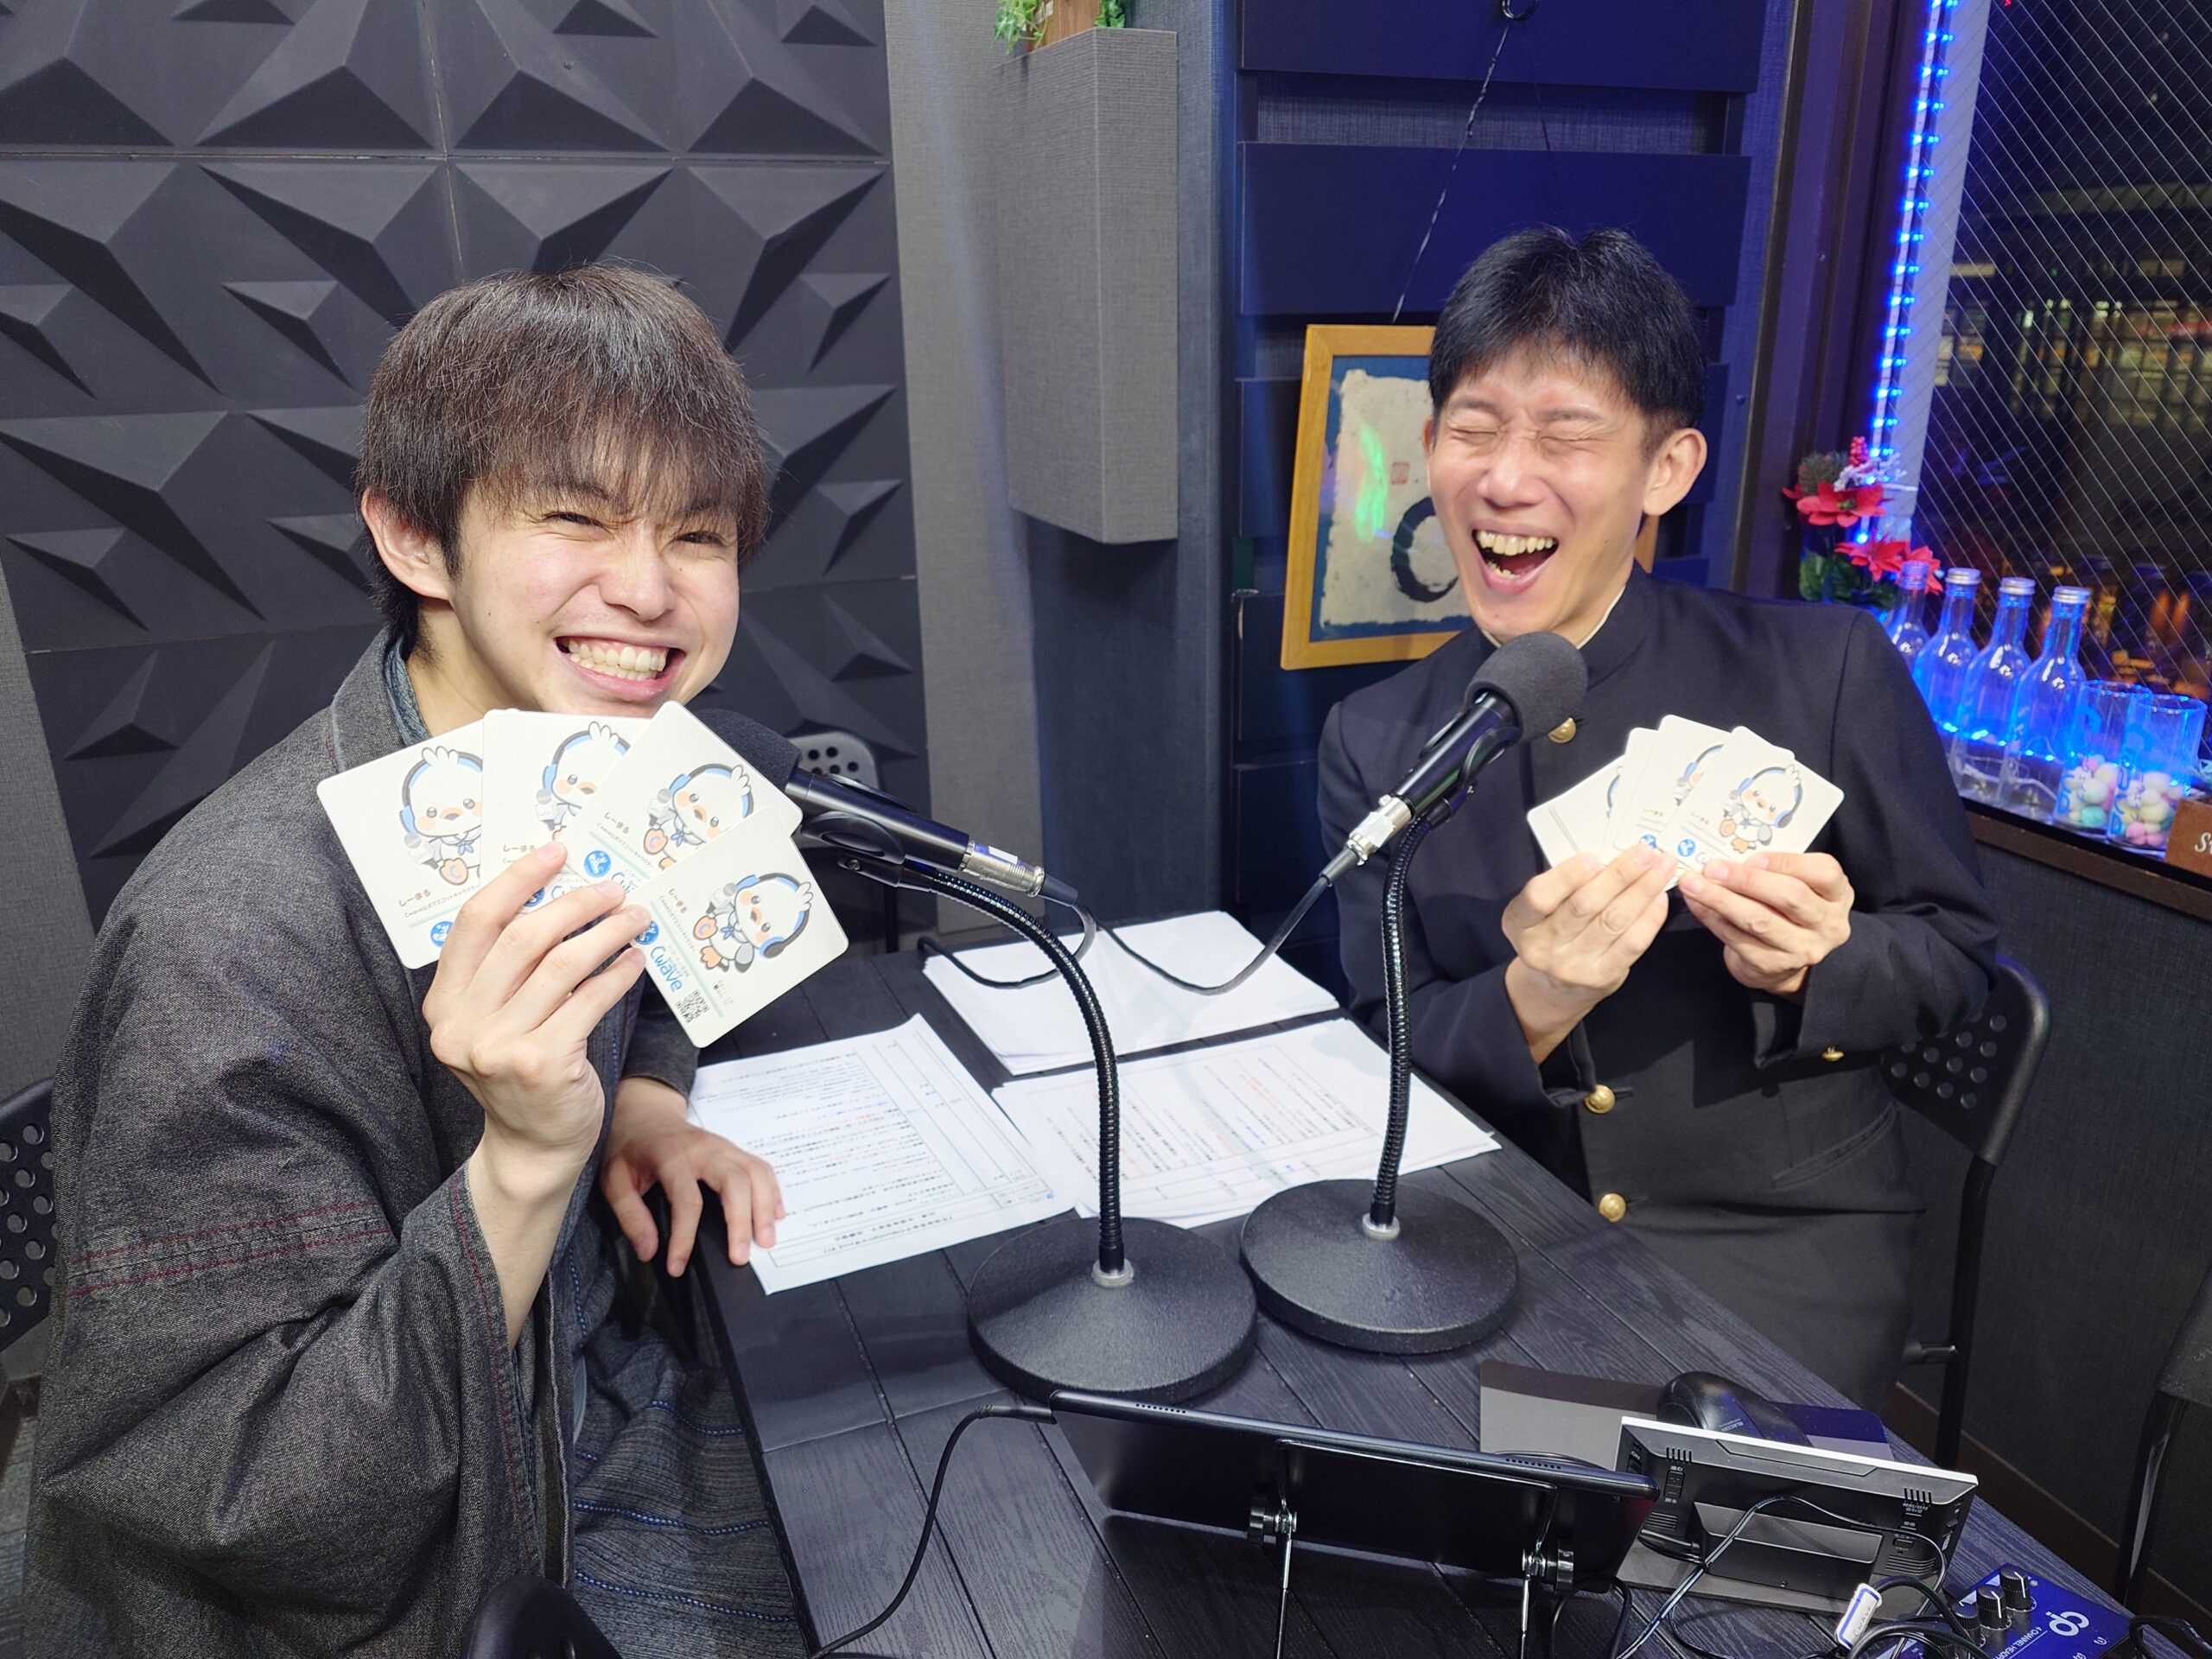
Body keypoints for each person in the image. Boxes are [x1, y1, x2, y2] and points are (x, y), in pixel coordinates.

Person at [31, 267, 806, 1656]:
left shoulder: (605, 765)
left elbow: (660, 970)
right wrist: (523, 1165)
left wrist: (643, 1101)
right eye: (577, 518)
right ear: (413, 537)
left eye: (698, 535)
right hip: (404, 1576)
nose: (648, 589)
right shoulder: (229, 939)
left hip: (591, 1382)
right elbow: (258, 1498)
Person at [1319, 227, 1999, 1409]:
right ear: (1430, 448)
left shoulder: (1825, 669)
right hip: (1499, 1217)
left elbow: (1959, 958)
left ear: (1668, 468)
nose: (1506, 479)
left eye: (1565, 434)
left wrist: (1820, 965)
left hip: (1776, 1247)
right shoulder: (1377, 739)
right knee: (1403, 1454)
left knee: (1666, 1493)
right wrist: (1534, 996)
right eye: (1474, 428)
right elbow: (1385, 1041)